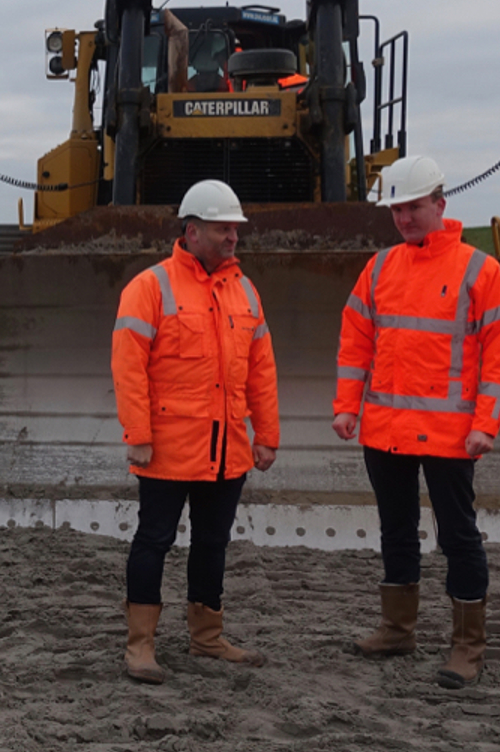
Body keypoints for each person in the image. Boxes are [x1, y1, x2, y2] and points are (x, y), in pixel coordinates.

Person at [333, 155, 500, 689]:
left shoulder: (481, 271)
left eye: (413, 207)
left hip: (451, 435)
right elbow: (356, 340)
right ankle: (397, 627)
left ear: (440, 202)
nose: (405, 219)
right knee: (396, 530)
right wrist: (346, 406)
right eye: (396, 210)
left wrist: (487, 423)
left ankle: (467, 645)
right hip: (384, 432)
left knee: (458, 536)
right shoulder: (382, 267)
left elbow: (499, 357)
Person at [113, 178, 280, 684]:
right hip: (165, 449)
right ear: (192, 232)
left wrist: (266, 434)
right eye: (223, 228)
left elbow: (261, 369)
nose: (233, 237)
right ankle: (140, 645)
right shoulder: (149, 288)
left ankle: (207, 638)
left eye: (235, 228)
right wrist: (137, 434)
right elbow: (128, 367)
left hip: (228, 451)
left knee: (213, 543)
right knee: (153, 541)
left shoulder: (245, 290)